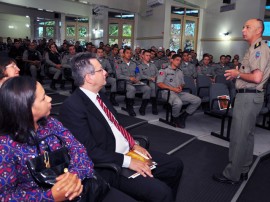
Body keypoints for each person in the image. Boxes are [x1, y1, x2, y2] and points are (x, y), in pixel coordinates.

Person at [59, 53, 183, 202]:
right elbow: (89, 151)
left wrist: (132, 144)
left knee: (175, 165)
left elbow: (116, 126)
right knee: (162, 193)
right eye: (101, 70)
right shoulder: (72, 107)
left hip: (127, 151)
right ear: (89, 77)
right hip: (109, 164)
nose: (106, 72)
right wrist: (129, 161)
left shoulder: (100, 95)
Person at [0, 76, 136, 201]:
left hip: (84, 188)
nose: (49, 99)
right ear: (25, 108)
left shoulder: (52, 124)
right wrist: (50, 196)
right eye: (43, 98)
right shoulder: (5, 146)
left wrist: (73, 176)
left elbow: (80, 151)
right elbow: (5, 196)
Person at [213, 18, 270, 184]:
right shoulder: (254, 48)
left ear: (258, 30)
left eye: (248, 27)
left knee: (239, 136)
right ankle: (243, 169)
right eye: (243, 26)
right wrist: (237, 75)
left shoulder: (258, 49)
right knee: (247, 135)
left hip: (248, 97)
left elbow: (257, 77)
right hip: (251, 96)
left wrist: (238, 75)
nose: (243, 30)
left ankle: (232, 174)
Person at [157, 54, 201, 128]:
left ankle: (183, 116)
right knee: (178, 103)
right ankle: (175, 118)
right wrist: (173, 89)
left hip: (178, 92)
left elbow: (183, 83)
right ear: (172, 60)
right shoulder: (164, 70)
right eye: (177, 60)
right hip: (167, 93)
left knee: (197, 100)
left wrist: (181, 86)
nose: (179, 62)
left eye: (180, 61)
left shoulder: (180, 71)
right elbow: (159, 84)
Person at [116, 47, 151, 116]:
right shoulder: (119, 63)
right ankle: (130, 108)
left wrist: (137, 79)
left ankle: (142, 108)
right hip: (124, 83)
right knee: (131, 89)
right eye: (127, 53)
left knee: (147, 89)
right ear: (123, 54)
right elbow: (118, 76)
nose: (129, 54)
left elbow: (138, 74)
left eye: (130, 53)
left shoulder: (134, 64)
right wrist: (129, 78)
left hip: (135, 83)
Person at [138, 50, 159, 115]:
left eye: (149, 55)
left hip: (154, 81)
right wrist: (150, 78)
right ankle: (147, 107)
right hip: (143, 82)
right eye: (147, 55)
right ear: (143, 56)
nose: (148, 57)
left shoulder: (153, 65)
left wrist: (155, 77)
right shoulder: (139, 66)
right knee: (152, 86)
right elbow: (140, 75)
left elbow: (157, 73)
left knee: (154, 85)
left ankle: (145, 107)